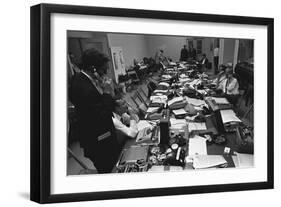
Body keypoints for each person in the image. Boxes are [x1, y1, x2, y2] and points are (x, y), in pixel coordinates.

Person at [69, 48, 120, 173]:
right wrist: (108, 93)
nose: (106, 73)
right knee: (109, 170)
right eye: (104, 69)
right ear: (93, 69)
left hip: (102, 135)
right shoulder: (82, 87)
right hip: (99, 142)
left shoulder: (85, 79)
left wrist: (114, 103)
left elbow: (98, 103)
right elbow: (100, 115)